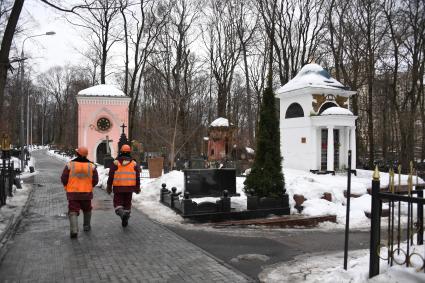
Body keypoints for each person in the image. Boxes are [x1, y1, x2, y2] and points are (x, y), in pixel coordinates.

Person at [61, 146, 98, 238]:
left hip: (73, 193)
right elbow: (95, 180)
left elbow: (64, 178)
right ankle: (86, 226)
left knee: (73, 210)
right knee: (87, 209)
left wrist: (66, 186)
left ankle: (74, 230)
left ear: (77, 154)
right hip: (86, 193)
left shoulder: (70, 165)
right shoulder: (91, 166)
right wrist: (89, 186)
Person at [106, 144, 140, 227]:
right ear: (129, 152)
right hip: (129, 188)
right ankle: (125, 219)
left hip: (118, 188)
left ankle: (122, 215)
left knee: (118, 204)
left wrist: (109, 186)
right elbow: (137, 176)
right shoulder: (134, 164)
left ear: (121, 152)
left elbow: (111, 176)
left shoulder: (116, 163)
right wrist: (137, 187)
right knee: (127, 204)